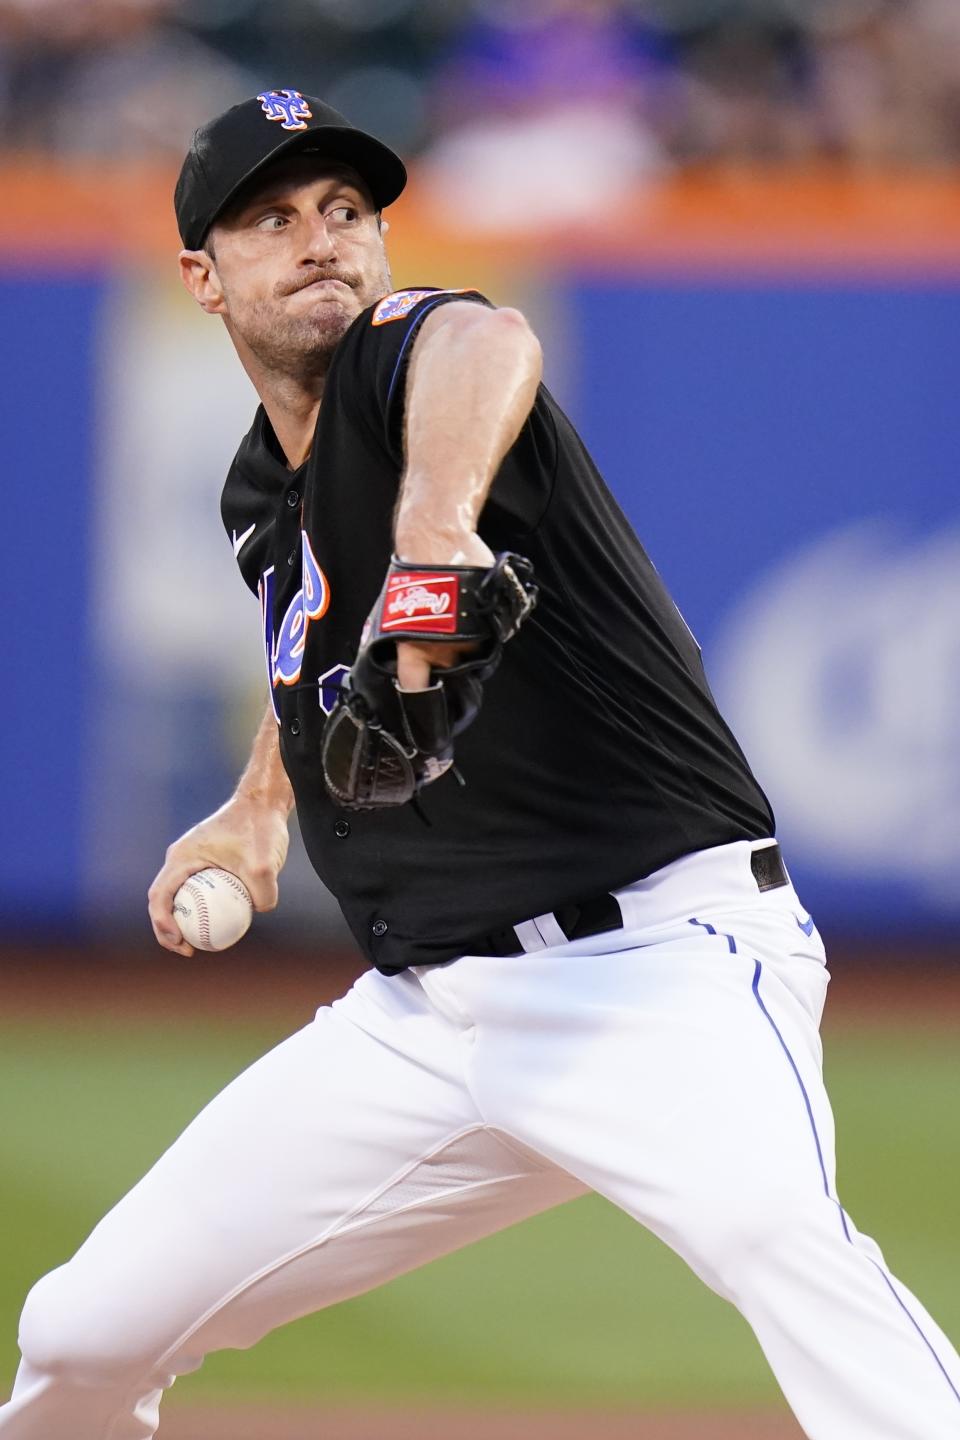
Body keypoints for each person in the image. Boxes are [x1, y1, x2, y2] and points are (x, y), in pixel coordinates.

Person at [1, 88, 957, 1440]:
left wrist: (441, 525)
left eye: (346, 211)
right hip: (428, 1020)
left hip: (658, 969)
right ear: (200, 281)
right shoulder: (257, 494)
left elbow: (483, 337)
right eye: (272, 220)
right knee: (79, 1332)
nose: (323, 239)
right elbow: (326, 672)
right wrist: (255, 806)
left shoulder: (405, 361)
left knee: (776, 1239)